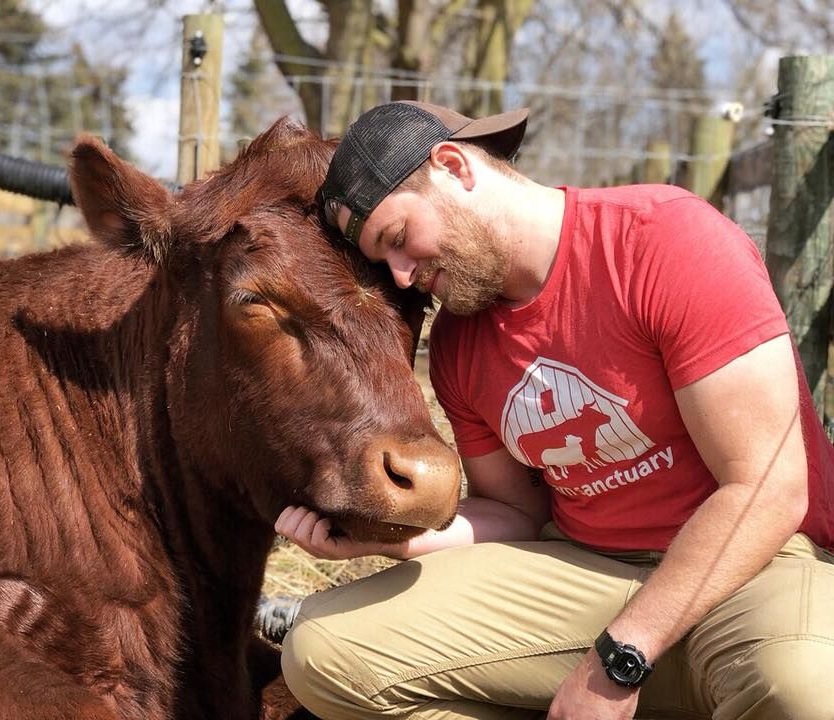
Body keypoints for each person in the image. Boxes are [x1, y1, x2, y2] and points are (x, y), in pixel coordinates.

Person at [275, 100, 834, 720]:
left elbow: (769, 488)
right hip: (587, 568)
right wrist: (386, 540)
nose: (403, 277)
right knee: (321, 654)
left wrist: (619, 659)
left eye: (399, 239)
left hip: (755, 564)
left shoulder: (666, 242)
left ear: (454, 166)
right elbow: (518, 512)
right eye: (386, 263)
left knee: (801, 685)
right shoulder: (461, 343)